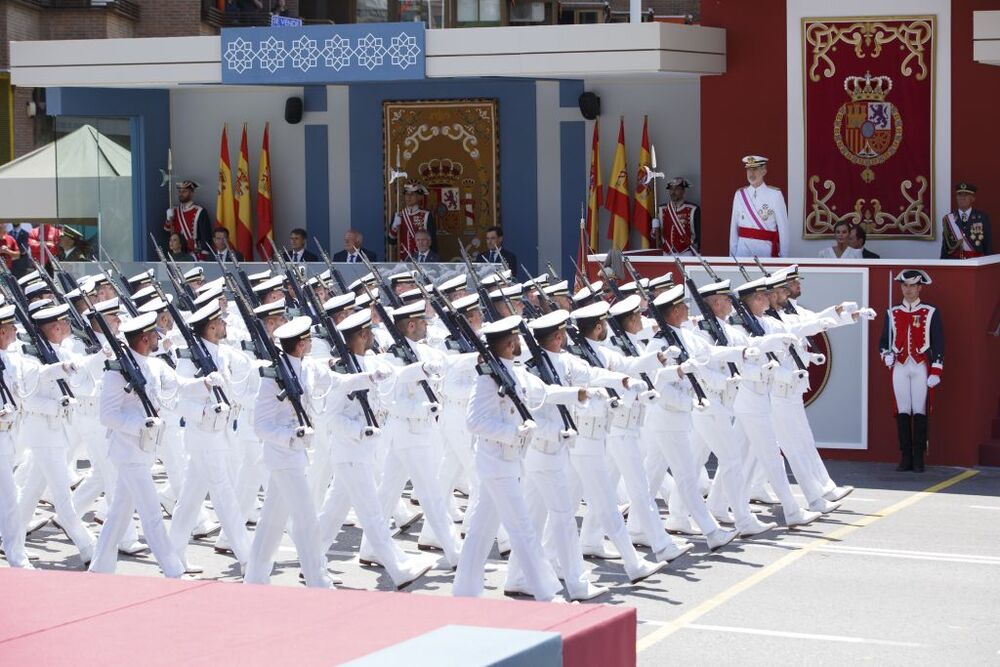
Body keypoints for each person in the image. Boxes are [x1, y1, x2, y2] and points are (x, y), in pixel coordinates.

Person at [89, 312, 212, 579]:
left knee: (119, 514)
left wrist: (205, 384)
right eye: (155, 334)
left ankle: (98, 567)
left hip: (144, 451)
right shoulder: (117, 372)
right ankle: (173, 570)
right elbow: (107, 416)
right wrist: (140, 424)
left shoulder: (154, 366)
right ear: (145, 338)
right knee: (152, 515)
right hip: (127, 451)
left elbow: (179, 385)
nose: (159, 337)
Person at [244, 316, 333, 588]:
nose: (310, 343)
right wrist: (290, 437)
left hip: (294, 456)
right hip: (283, 456)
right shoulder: (273, 378)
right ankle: (318, 580)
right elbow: (260, 425)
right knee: (306, 519)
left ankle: (255, 577)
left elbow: (333, 380)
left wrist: (365, 377)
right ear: (302, 343)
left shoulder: (304, 368)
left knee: (271, 521)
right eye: (307, 340)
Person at [879, 269, 943, 473]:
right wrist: (885, 355)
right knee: (903, 410)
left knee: (920, 410)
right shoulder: (892, 312)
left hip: (921, 365)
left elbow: (939, 342)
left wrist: (936, 371)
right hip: (899, 366)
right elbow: (883, 341)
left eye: (913, 286)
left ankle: (918, 458)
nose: (908, 290)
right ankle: (905, 456)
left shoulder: (930, 311)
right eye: (905, 286)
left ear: (920, 287)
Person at [729, 156, 788, 258]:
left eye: (755, 169)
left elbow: (784, 230)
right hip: (743, 252)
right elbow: (733, 228)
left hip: (765, 253)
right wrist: (733, 257)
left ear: (764, 171)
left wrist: (783, 259)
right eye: (748, 170)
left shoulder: (775, 195)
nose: (751, 174)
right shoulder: (739, 195)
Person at [941, 182, 992, 259]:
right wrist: (943, 264)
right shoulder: (948, 219)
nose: (962, 197)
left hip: (976, 263)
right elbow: (945, 246)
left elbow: (988, 244)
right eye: (959, 195)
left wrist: (988, 264)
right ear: (956, 197)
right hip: (955, 263)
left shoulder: (982, 217)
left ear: (973, 198)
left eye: (966, 195)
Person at [652, 177, 701, 254]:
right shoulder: (661, 210)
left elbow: (698, 234)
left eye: (677, 189)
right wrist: (654, 231)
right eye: (671, 189)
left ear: (683, 190)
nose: (673, 192)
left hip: (686, 252)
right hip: (667, 252)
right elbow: (656, 235)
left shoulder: (693, 209)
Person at [389, 182, 436, 261]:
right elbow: (391, 241)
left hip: (421, 260)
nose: (409, 197)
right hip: (403, 259)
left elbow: (433, 241)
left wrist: (432, 261)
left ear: (418, 197)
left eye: (412, 194)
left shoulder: (426, 215)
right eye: (407, 194)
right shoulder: (398, 214)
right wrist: (394, 226)